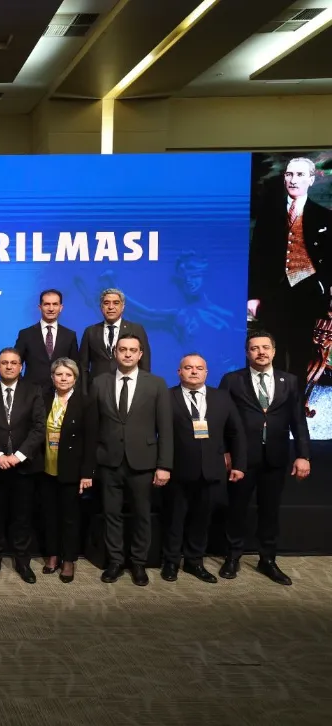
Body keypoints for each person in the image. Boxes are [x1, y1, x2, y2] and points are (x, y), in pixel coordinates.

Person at [219, 332, 311, 585]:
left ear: (274, 351)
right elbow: (222, 420)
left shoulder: (289, 381)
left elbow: (298, 421)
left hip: (276, 457)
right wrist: (225, 451)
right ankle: (232, 557)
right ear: (247, 353)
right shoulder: (232, 380)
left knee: (270, 511)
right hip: (241, 458)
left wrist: (303, 455)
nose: (261, 352)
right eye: (254, 348)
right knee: (237, 509)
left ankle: (267, 559)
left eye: (265, 347)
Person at [83, 333, 172, 586]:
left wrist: (164, 465)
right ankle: (115, 562)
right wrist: (89, 466)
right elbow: (92, 427)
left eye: (133, 350)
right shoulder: (100, 382)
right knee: (111, 514)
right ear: (115, 353)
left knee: (142, 515)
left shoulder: (156, 384)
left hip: (143, 462)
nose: (128, 354)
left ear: (141, 354)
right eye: (123, 349)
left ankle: (139, 563)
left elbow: (165, 428)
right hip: (108, 461)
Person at [249, 157, 332, 391]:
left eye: (300, 175)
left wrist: (323, 286)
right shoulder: (269, 215)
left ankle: (295, 404)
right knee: (272, 352)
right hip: (274, 294)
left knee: (300, 353)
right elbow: (257, 256)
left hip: (308, 294)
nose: (293, 180)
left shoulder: (324, 216)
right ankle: (272, 403)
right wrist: (253, 296)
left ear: (311, 180)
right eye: (289, 174)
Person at [163, 354, 246, 584]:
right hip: (176, 470)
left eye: (199, 368)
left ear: (206, 373)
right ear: (179, 372)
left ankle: (194, 561)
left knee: (202, 519)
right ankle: (171, 562)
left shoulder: (222, 397)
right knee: (174, 519)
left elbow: (236, 432)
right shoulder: (166, 397)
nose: (194, 372)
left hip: (212, 470)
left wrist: (239, 464)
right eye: (188, 367)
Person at [0, 348, 45, 583]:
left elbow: (39, 427)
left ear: (21, 366)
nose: (9, 366)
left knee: (23, 517)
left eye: (14, 363)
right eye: (4, 363)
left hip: (25, 466)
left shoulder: (33, 390)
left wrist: (18, 456)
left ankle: (22, 561)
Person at [39, 358, 89, 583]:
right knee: (49, 515)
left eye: (68, 375)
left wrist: (87, 472)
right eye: (59, 374)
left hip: (72, 469)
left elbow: (91, 438)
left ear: (75, 379)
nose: (63, 378)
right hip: (46, 467)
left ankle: (68, 559)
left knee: (70, 517)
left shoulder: (85, 402)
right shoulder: (43, 398)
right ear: (52, 377)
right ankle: (52, 555)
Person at [78, 288, 151, 395]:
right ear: (101, 307)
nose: (111, 307)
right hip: (96, 390)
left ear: (123, 307)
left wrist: (143, 391)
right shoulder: (90, 331)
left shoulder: (136, 329)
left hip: (128, 389)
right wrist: (85, 392)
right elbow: (82, 366)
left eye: (116, 303)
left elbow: (144, 363)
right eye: (106, 303)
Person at [15, 289, 80, 390]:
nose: (51, 308)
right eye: (47, 304)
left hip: (60, 392)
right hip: (31, 392)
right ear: (40, 307)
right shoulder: (25, 334)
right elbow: (15, 363)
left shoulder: (70, 335)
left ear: (61, 307)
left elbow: (75, 367)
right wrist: (22, 386)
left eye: (55, 304)